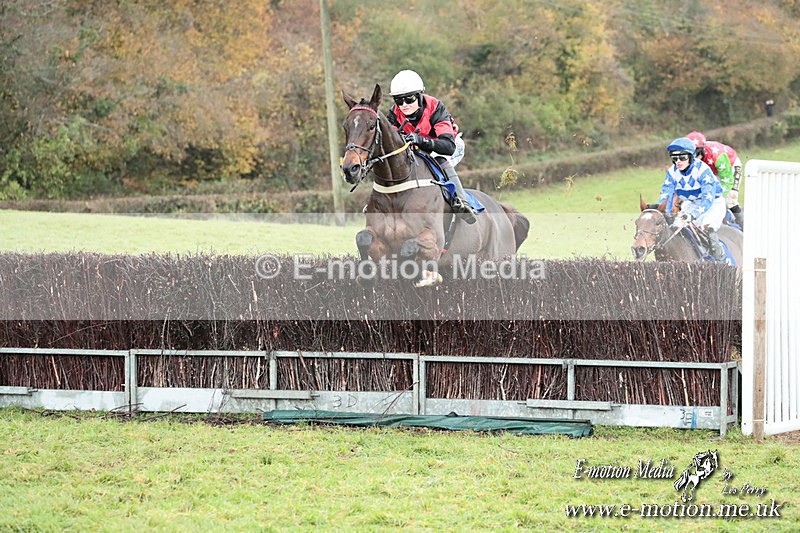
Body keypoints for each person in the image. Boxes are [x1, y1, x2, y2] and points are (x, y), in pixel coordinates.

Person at [387, 69, 479, 223]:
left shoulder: (435, 107)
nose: (404, 105)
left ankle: (462, 201)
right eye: (398, 100)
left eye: (409, 99)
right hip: (419, 149)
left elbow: (448, 146)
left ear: (419, 95)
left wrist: (420, 140)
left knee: (438, 158)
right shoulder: (394, 114)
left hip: (450, 146)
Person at [658, 137, 727, 261]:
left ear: (691, 156)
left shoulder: (703, 170)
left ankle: (719, 259)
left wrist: (693, 215)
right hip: (691, 203)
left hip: (713, 204)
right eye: (674, 158)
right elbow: (666, 196)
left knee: (708, 227)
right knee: (675, 227)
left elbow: (707, 200)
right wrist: (664, 213)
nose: (678, 161)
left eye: (682, 158)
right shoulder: (672, 173)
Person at [686, 131, 744, 227]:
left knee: (730, 199)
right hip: (712, 170)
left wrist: (714, 196)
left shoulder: (718, 157)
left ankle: (745, 227)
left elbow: (727, 181)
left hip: (730, 167)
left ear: (701, 152)